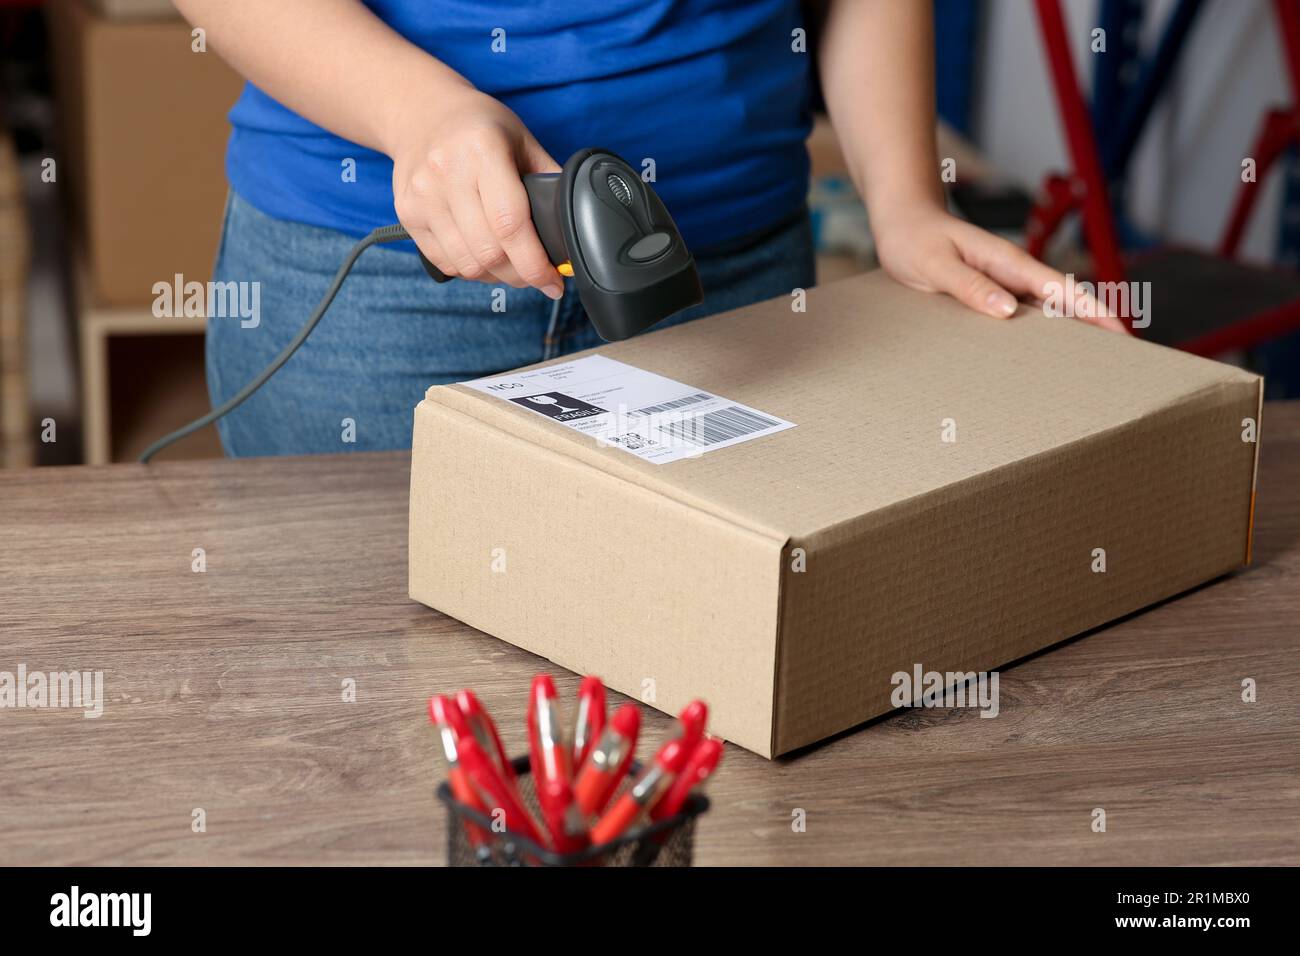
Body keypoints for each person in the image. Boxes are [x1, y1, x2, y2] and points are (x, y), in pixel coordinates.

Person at [175, 0, 1120, 457]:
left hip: (730, 286)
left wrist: (906, 199)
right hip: (378, 292)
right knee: (377, 734)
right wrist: (417, 113)